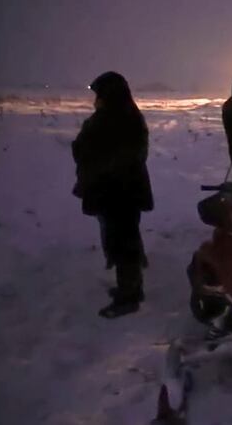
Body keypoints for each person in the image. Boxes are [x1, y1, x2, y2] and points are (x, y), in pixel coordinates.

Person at [72, 71, 153, 318]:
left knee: (123, 242)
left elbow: (126, 156)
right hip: (113, 191)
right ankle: (130, 288)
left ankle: (129, 296)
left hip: (119, 192)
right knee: (120, 239)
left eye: (99, 94)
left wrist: (100, 169)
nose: (96, 99)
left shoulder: (122, 119)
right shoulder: (117, 116)